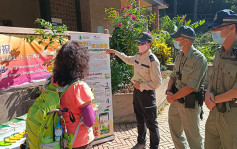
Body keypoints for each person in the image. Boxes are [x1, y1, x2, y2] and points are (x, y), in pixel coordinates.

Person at [106, 32, 162, 149]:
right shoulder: (138, 56)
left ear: (149, 43)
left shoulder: (153, 61)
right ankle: (141, 142)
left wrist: (141, 86)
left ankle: (154, 147)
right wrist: (115, 52)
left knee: (151, 123)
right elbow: (127, 59)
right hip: (137, 94)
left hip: (147, 94)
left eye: (142, 43)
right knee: (139, 118)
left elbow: (157, 83)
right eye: (138, 43)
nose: (139, 45)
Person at [166, 26, 207, 149]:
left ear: (186, 40)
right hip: (175, 100)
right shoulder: (179, 55)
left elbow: (191, 87)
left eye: (177, 38)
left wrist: (173, 97)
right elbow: (173, 76)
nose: (175, 41)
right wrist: (168, 91)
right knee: (175, 131)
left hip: (189, 103)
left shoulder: (199, 59)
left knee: (193, 137)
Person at [53, 41, 95, 149]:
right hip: (79, 140)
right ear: (80, 62)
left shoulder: (51, 83)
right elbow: (89, 121)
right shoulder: (79, 87)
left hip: (58, 138)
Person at [205, 9, 237, 149]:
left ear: (232, 27)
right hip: (214, 113)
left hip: (232, 116)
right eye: (212, 28)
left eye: (217, 27)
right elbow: (212, 77)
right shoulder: (219, 52)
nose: (213, 31)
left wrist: (213, 100)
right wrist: (207, 93)